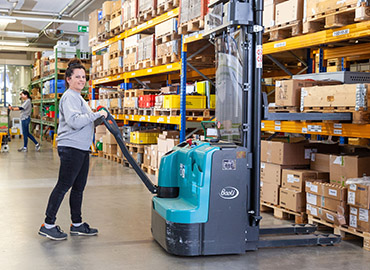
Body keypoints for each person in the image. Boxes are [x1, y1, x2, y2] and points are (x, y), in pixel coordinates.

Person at [38, 59, 107, 241]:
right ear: (68, 79)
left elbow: (87, 120)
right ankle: (48, 224)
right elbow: (75, 121)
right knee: (63, 186)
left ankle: (77, 224)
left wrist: (99, 116)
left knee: (78, 188)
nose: (81, 80)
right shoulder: (69, 97)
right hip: (71, 147)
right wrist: (96, 114)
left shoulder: (80, 99)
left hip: (82, 148)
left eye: (83, 77)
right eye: (77, 77)